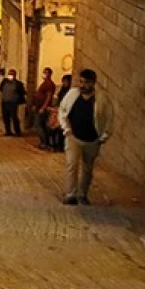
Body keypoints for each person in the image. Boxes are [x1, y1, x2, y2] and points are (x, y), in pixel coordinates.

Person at [58, 69, 114, 205]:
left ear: (93, 83)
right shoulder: (73, 95)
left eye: (86, 83)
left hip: (92, 139)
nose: (82, 85)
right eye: (81, 82)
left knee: (87, 168)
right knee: (72, 164)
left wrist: (103, 137)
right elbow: (62, 110)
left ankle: (82, 194)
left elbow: (109, 118)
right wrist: (66, 129)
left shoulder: (102, 99)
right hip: (73, 137)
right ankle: (71, 194)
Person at [33, 67, 57, 150]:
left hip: (43, 107)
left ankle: (45, 142)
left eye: (46, 73)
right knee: (41, 125)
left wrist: (44, 107)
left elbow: (49, 96)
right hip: (39, 106)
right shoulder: (44, 83)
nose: (44, 74)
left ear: (50, 74)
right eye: (44, 72)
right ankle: (43, 142)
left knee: (39, 125)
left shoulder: (49, 84)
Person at [0, 69, 26, 136]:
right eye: (10, 74)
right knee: (5, 117)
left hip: (13, 103)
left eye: (12, 74)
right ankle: (8, 131)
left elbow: (22, 92)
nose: (11, 75)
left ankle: (17, 132)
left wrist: (18, 99)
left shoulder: (18, 84)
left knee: (14, 117)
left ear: (15, 75)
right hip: (5, 102)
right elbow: (0, 89)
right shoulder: (4, 82)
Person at [48, 74, 72, 151]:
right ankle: (55, 145)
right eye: (63, 81)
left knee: (60, 131)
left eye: (66, 81)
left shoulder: (70, 92)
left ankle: (60, 146)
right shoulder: (62, 90)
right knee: (53, 129)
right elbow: (57, 100)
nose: (64, 83)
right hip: (58, 111)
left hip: (65, 113)